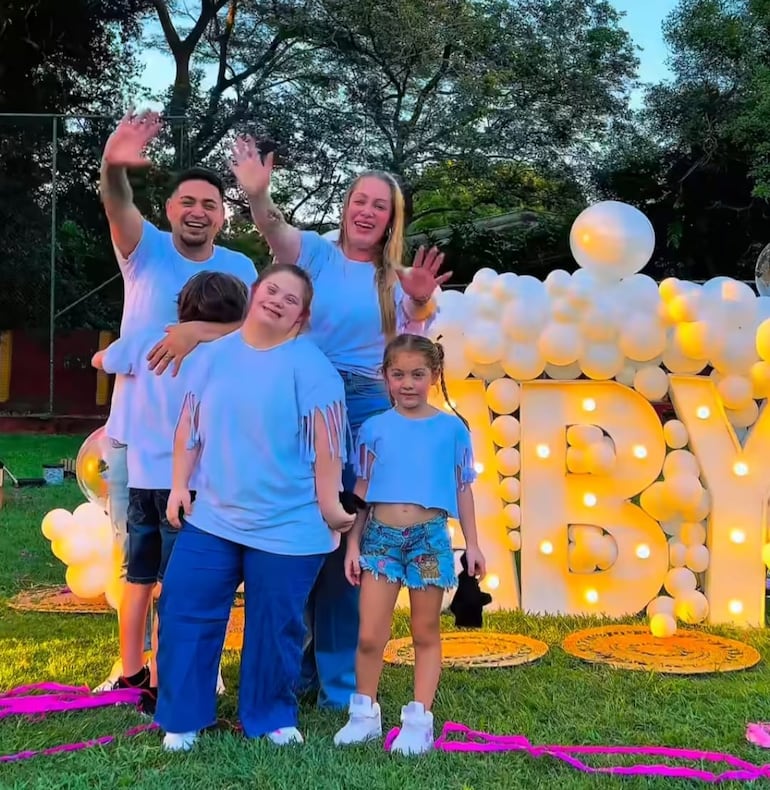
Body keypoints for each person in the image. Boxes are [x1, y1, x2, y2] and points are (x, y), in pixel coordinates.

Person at [229, 136, 451, 710]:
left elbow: (413, 339)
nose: (367, 210)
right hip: (303, 396)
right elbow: (275, 231)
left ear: (390, 219)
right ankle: (294, 666)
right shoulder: (317, 255)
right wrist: (259, 196)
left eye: (380, 204)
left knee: (350, 538)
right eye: (361, 199)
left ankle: (339, 683)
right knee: (300, 534)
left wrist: (422, 304)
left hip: (370, 407)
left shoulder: (399, 278)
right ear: (347, 205)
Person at [156, 263, 355, 752]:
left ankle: (270, 716)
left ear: (301, 317)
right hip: (215, 517)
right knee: (185, 608)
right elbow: (189, 426)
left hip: (288, 525)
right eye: (272, 289)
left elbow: (327, 445)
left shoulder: (311, 367)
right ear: (254, 292)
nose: (278, 301)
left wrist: (331, 507)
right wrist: (180, 485)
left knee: (275, 625)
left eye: (291, 299)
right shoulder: (212, 357)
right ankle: (183, 718)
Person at [94, 108, 257, 692]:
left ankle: (194, 666)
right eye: (188, 201)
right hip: (136, 444)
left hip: (208, 449)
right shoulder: (145, 249)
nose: (198, 211)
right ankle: (130, 666)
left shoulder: (238, 266)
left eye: (210, 204)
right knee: (136, 564)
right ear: (169, 210)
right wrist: (115, 165)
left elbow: (263, 336)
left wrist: (195, 332)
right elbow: (117, 201)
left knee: (197, 569)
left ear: (222, 214)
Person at [92, 272, 249, 715]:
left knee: (137, 579)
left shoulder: (143, 340)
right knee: (178, 588)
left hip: (142, 481)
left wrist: (115, 356)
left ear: (182, 308)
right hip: (190, 487)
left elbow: (100, 361)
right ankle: (162, 683)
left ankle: (130, 672)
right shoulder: (224, 352)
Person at [333, 334, 486, 756]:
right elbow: (360, 492)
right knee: (369, 634)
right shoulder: (374, 429)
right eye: (398, 374)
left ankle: (419, 719)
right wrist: (352, 545)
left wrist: (472, 544)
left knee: (425, 631)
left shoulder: (452, 429)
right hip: (379, 539)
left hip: (429, 539)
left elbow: (464, 488)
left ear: (434, 377)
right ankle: (364, 714)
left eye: (418, 375)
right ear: (384, 378)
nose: (407, 383)